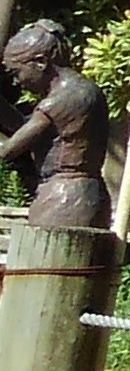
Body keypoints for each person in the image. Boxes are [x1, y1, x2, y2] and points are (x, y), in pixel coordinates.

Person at [0, 21, 115, 230]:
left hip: (68, 197)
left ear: (41, 62)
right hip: (70, 193)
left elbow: (8, 150)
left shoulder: (65, 97)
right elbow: (26, 129)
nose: (17, 82)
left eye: (16, 73)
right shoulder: (77, 91)